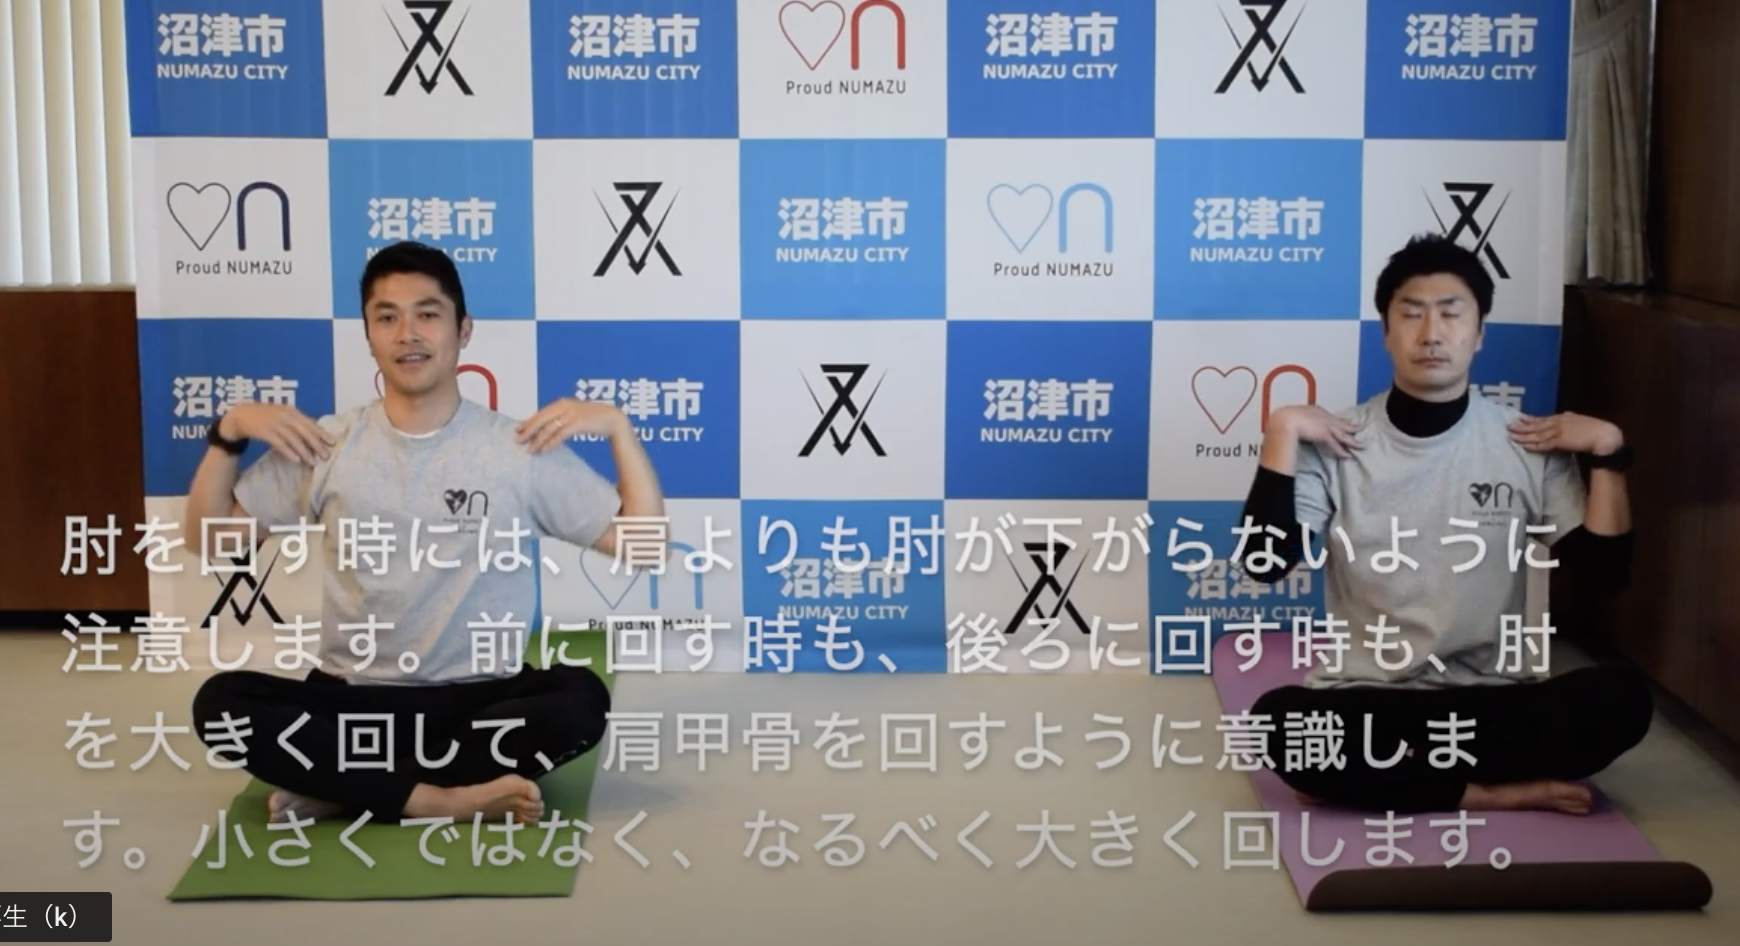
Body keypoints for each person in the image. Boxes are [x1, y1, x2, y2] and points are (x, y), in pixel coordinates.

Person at [185, 240, 665, 827]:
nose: (407, 334)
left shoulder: (517, 449)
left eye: (427, 314)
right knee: (221, 705)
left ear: (463, 330)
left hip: (478, 698)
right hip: (353, 698)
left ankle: (352, 788)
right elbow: (212, 542)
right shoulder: (327, 444)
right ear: (368, 335)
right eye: (387, 317)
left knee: (581, 700)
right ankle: (436, 798)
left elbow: (645, 546)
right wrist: (229, 431)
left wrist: (619, 428)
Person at [1236, 232, 1651, 816]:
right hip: (1372, 697)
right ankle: (1486, 791)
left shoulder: (1527, 441)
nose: (1431, 333)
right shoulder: (1337, 442)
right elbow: (1264, 563)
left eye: (1451, 314)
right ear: (1386, 332)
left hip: (1493, 700)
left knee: (1623, 697)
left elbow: (1605, 575)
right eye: (1411, 314)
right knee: (1278, 723)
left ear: (1479, 334)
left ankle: (1391, 779)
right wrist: (1281, 430)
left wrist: (1609, 452)